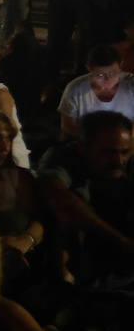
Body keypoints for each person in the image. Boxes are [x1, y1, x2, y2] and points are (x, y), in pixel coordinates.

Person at [37, 110, 134, 281]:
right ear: (82, 147)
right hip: (83, 253)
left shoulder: (128, 161)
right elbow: (57, 195)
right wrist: (124, 245)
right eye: (108, 153)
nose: (119, 161)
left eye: (124, 152)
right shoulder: (62, 157)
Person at [57, 43, 134, 139]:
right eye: (100, 75)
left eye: (113, 73)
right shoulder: (76, 89)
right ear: (89, 68)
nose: (108, 80)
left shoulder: (130, 85)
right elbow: (67, 127)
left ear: (120, 65)